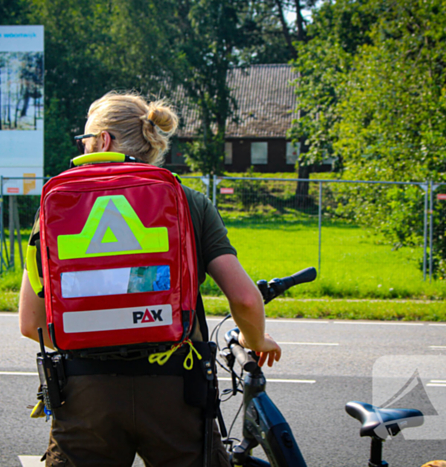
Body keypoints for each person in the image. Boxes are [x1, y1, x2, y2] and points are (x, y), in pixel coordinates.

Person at [18, 92, 281, 467]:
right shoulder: (189, 202)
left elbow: (31, 324)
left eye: (86, 140)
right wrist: (256, 339)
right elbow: (245, 300)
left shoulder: (57, 206)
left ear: (104, 141)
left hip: (86, 395)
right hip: (175, 389)